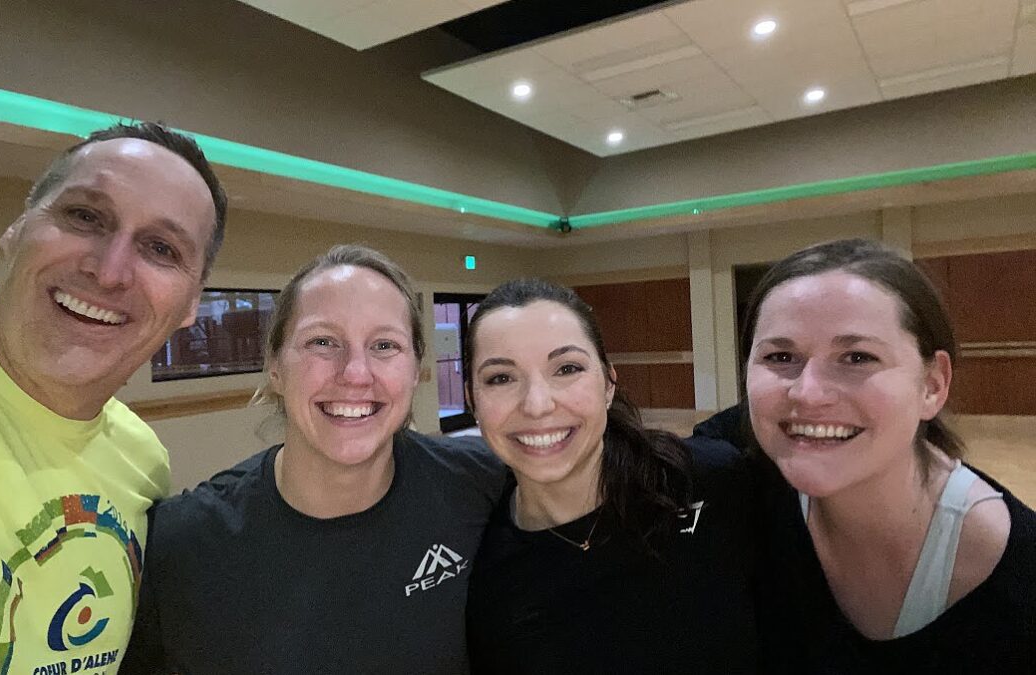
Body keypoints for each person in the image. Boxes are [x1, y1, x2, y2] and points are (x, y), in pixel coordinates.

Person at [121, 245, 506, 674]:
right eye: (322, 342)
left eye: (384, 345)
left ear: (416, 369)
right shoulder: (183, 544)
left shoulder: (482, 483)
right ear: (274, 366)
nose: (356, 373)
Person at [0, 122, 227, 674]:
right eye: (85, 216)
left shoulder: (141, 459)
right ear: (15, 229)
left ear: (191, 305)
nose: (108, 271)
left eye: (160, 248)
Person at [720, 238, 1036, 672]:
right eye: (781, 356)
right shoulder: (744, 472)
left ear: (932, 385)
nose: (808, 393)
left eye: (856, 357)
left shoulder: (1018, 580)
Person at [463, 278, 760, 674]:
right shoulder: (486, 576)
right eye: (500, 378)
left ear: (608, 383)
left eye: (566, 368)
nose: (537, 404)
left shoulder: (708, 480)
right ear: (472, 400)